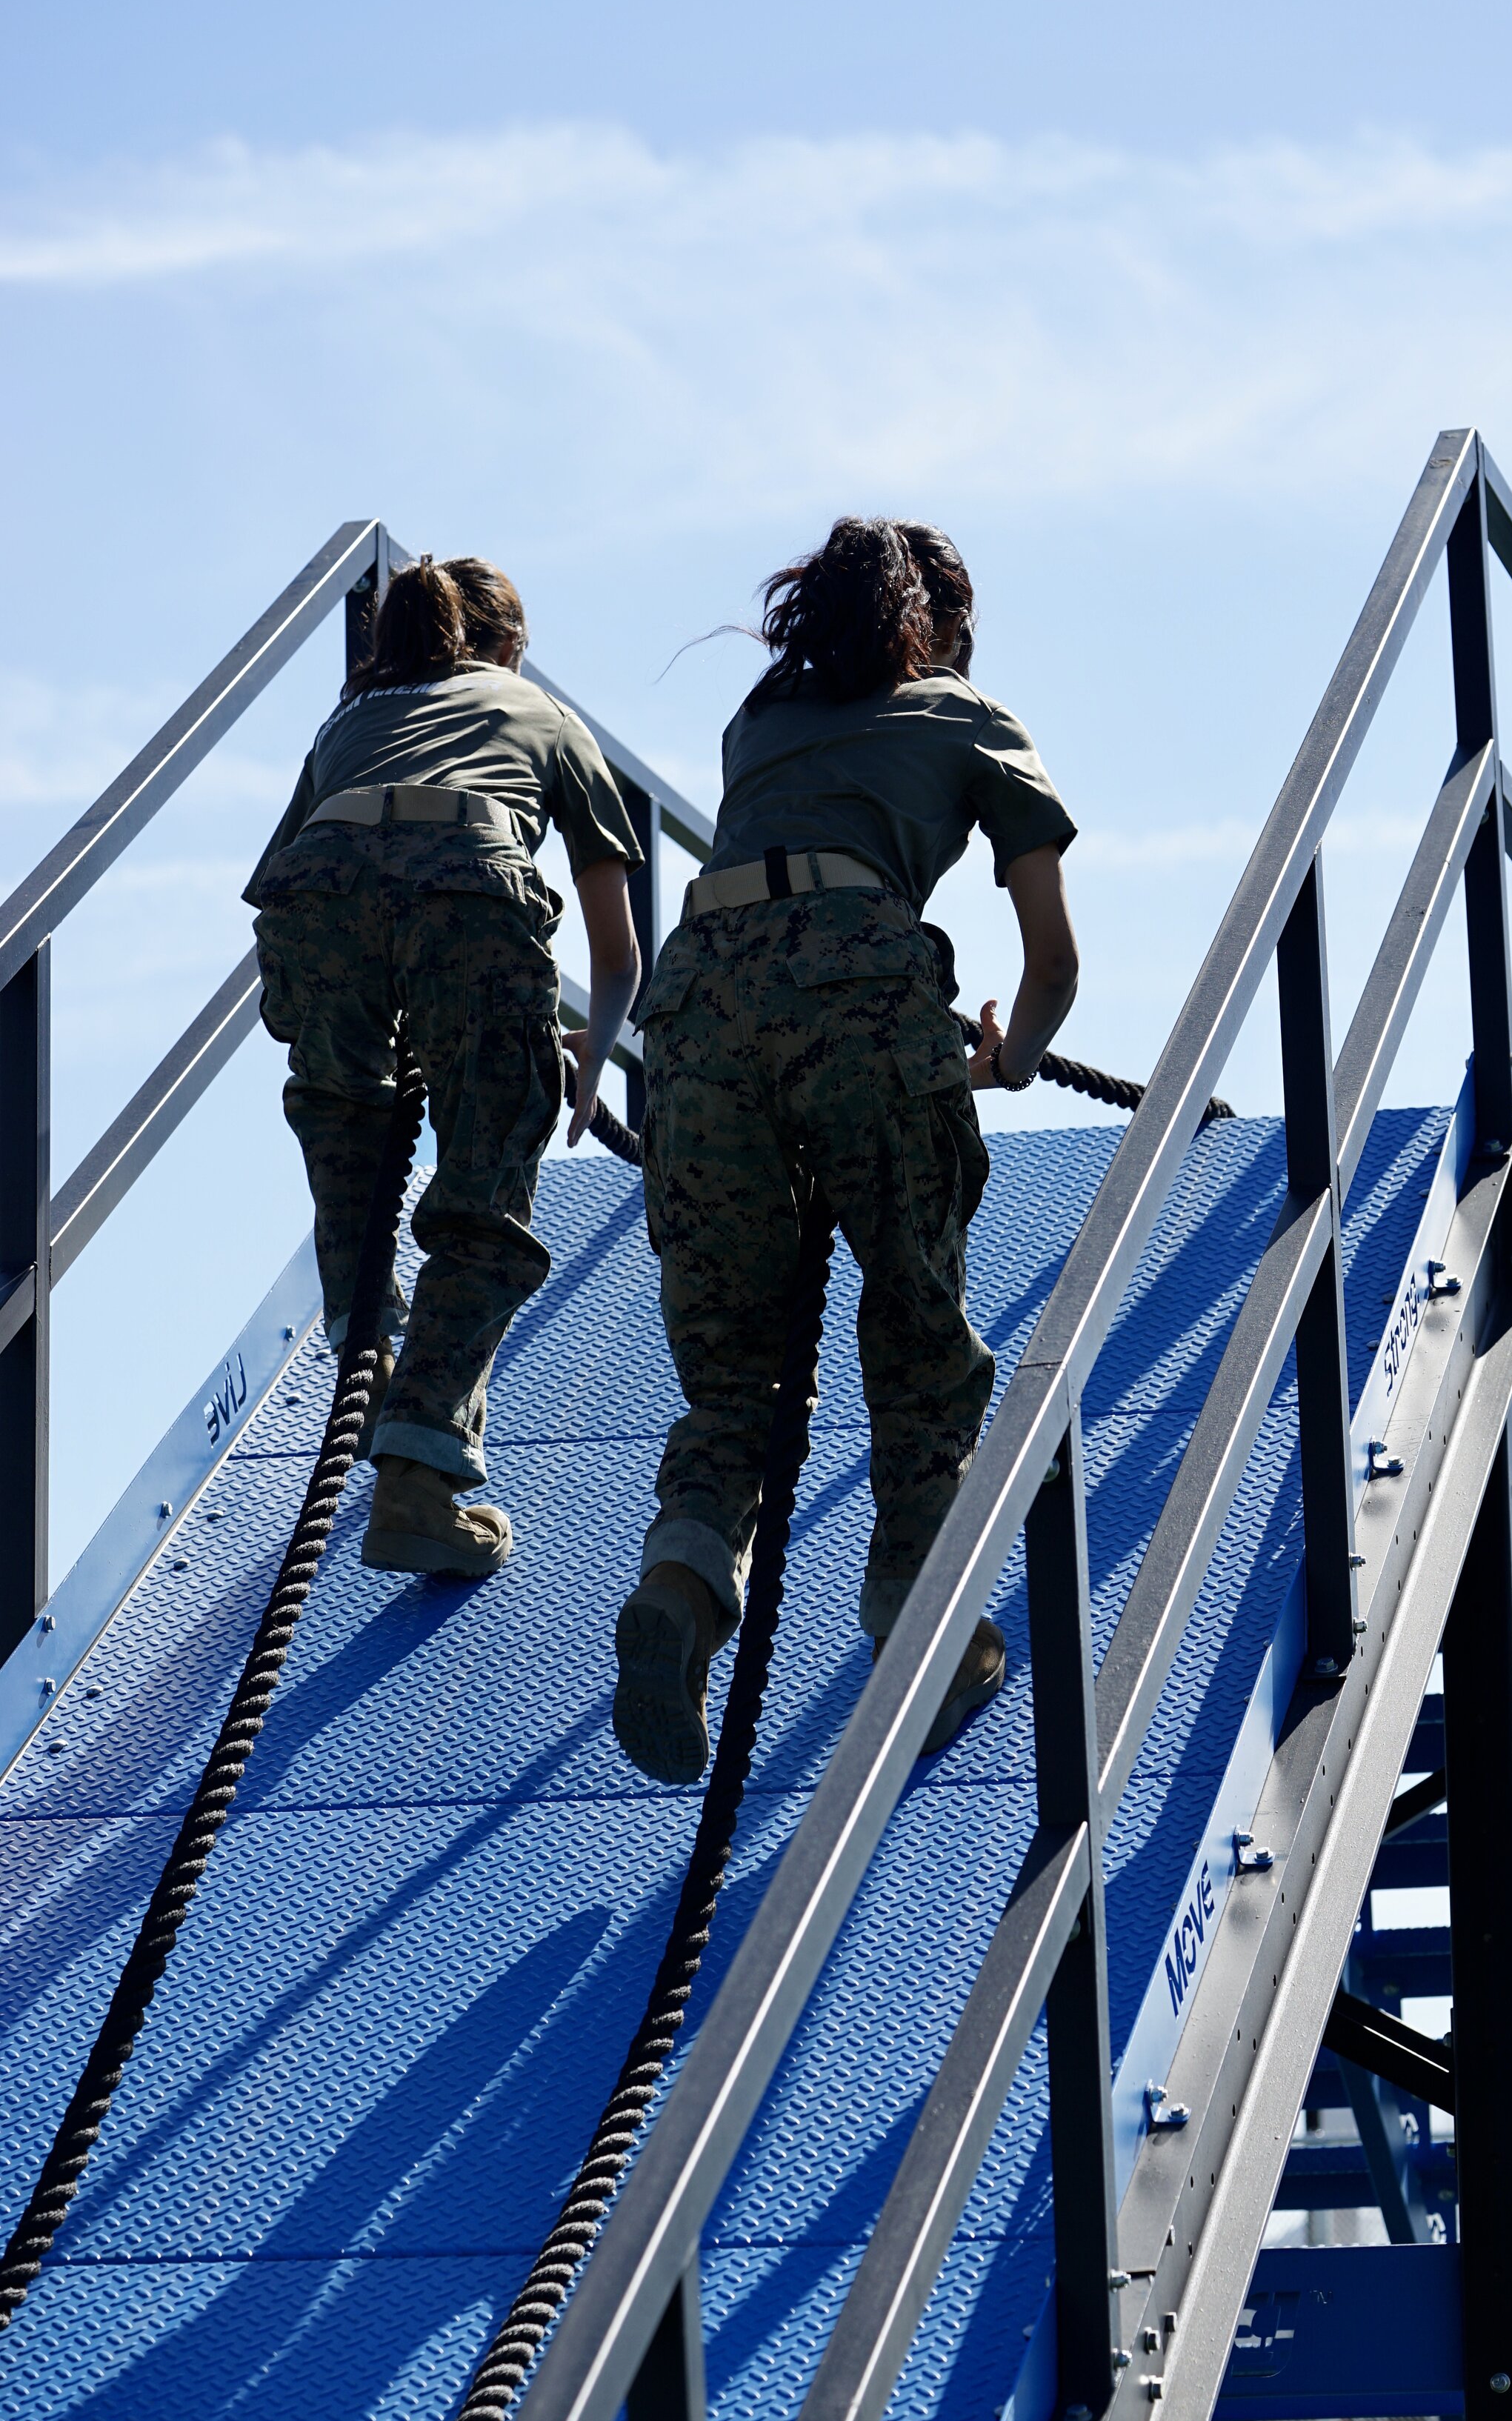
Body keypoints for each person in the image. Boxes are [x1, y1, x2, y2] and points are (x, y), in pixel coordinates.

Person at [611, 516, 1080, 1782]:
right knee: (919, 1330)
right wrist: (1014, 1053)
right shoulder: (971, 715)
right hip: (865, 991)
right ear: (949, 628)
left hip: (697, 1001)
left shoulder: (759, 722)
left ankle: (684, 1583)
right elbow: (1053, 962)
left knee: (735, 1374)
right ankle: (918, 1626)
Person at [245, 553, 642, 1575]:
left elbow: (298, 883)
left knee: (345, 1122)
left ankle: (366, 1341)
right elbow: (617, 949)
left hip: (318, 900)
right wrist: (580, 1059)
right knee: (483, 1194)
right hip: (468, 895)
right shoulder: (537, 711)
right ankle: (419, 1480)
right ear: (506, 647)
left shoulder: (348, 719)